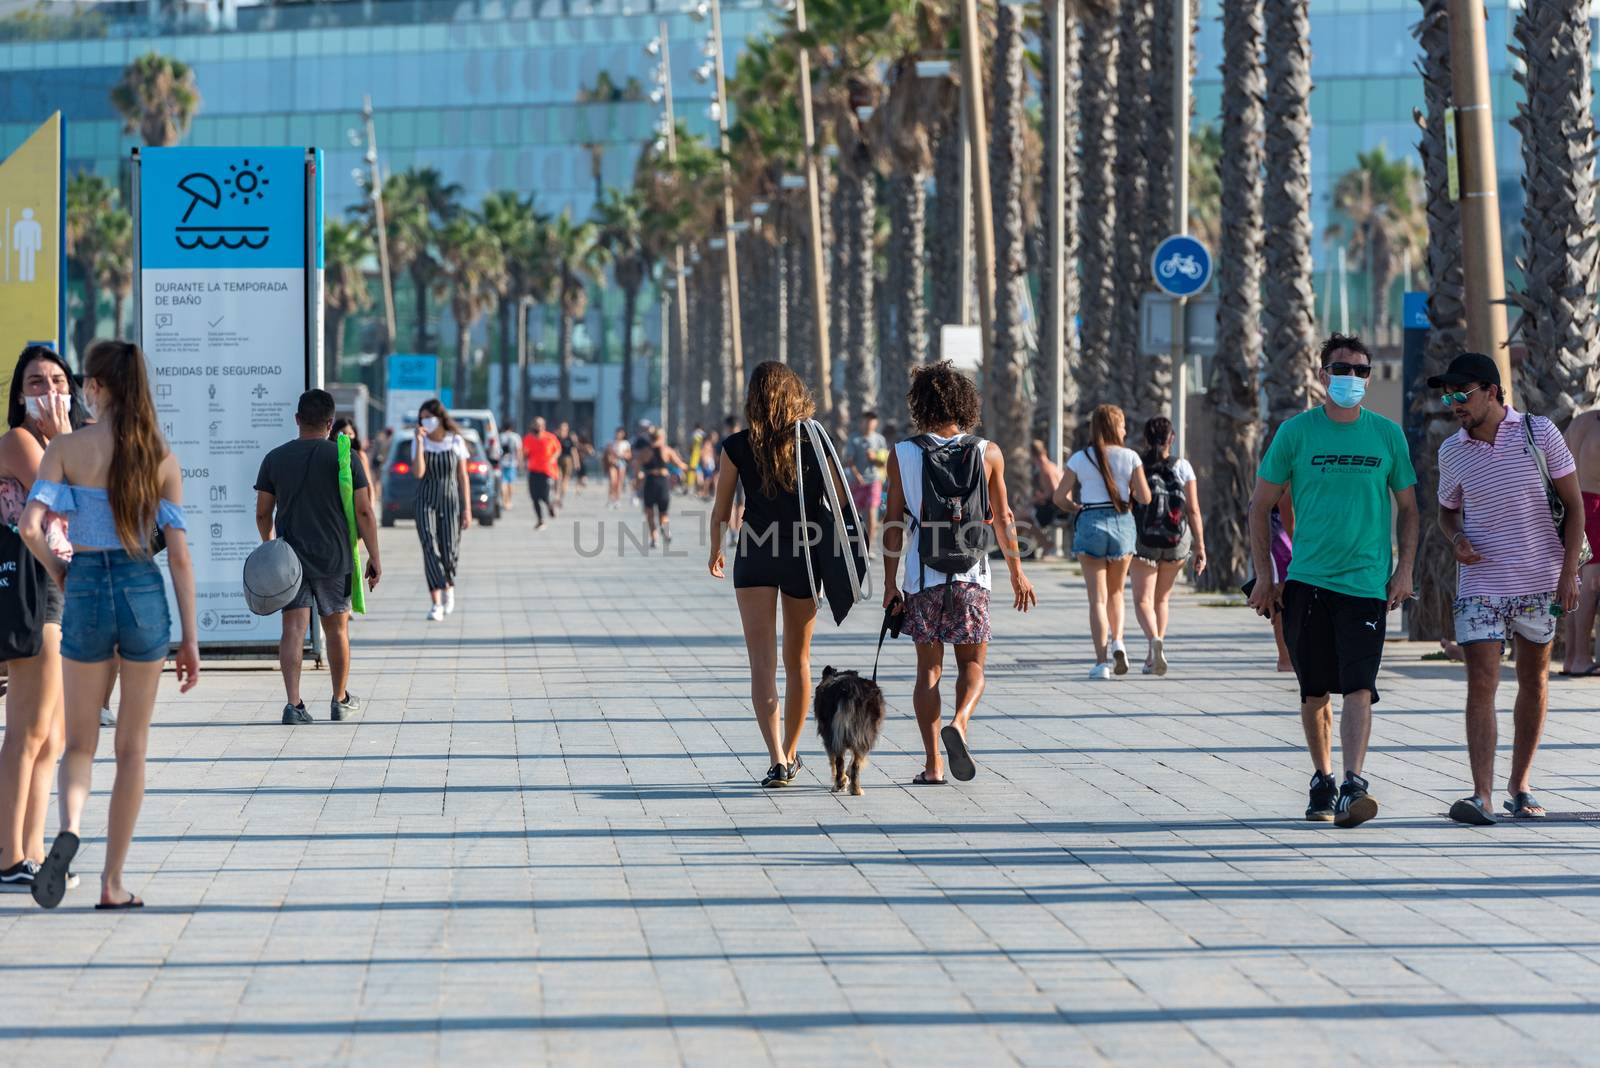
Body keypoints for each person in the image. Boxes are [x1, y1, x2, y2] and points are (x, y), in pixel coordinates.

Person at [19, 339, 199, 909]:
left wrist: (62, 571)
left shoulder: (68, 449)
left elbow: (30, 526)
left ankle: (69, 826)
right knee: (132, 749)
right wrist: (190, 639)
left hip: (88, 584)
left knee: (78, 744)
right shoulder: (161, 460)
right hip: (143, 588)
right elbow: (179, 557)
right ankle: (112, 883)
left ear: (95, 387)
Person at [1248, 332, 1418, 829]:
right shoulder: (1296, 434)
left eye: (1361, 371)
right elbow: (1260, 505)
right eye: (1341, 369)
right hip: (1307, 583)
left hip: (1366, 584)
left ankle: (1352, 783)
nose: (1351, 379)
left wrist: (1403, 569)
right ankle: (1322, 777)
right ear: (1322, 375)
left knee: (1360, 686)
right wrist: (1265, 575)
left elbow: (1409, 508)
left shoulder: (1387, 435)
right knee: (1315, 692)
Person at [1432, 353, 1581, 824]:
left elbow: (1574, 506)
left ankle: (1520, 784)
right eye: (1448, 396)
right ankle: (1482, 795)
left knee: (1534, 680)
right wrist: (1457, 539)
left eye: (1462, 394)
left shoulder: (1539, 433)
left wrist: (1567, 575)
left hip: (1540, 581)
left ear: (1492, 391)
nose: (1454, 403)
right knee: (1481, 681)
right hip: (1481, 583)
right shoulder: (1451, 451)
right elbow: (1446, 510)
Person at [883, 361, 1036, 785]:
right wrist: (1018, 572)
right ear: (965, 405)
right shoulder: (988, 451)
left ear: (921, 405)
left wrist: (889, 583)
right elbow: (1003, 517)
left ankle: (933, 765)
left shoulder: (903, 454)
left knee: (927, 672)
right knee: (972, 663)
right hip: (974, 574)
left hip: (922, 576)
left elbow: (893, 522)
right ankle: (961, 721)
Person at [709, 361, 849, 787]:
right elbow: (841, 502)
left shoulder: (736, 445)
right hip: (802, 557)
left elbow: (721, 510)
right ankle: (790, 751)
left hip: (754, 553)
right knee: (798, 661)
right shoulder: (814, 444)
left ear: (753, 398)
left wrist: (716, 550)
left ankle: (776, 758)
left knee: (761, 664)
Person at [259, 392, 383, 724]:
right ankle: (340, 699)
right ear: (330, 424)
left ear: (297, 419)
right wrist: (374, 556)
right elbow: (364, 512)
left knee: (293, 630)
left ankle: (294, 705)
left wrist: (270, 547)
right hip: (335, 557)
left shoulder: (275, 458)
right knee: (337, 630)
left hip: (290, 563)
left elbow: (262, 514)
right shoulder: (346, 457)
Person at [0, 346, 74, 893]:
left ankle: (30, 849)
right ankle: (8, 857)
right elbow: (69, 501)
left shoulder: (55, 445)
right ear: (18, 395)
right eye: (34, 382)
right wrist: (68, 433)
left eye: (56, 379)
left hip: (58, 592)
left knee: (51, 737)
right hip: (31, 591)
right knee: (27, 730)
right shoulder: (23, 443)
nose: (48, 390)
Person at [1053, 405, 1151, 679]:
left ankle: (1101, 663)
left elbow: (1059, 498)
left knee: (1097, 598)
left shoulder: (1080, 458)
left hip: (1090, 521)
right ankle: (1118, 640)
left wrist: (1076, 507)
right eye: (1122, 425)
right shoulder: (1130, 457)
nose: (1125, 430)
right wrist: (1128, 489)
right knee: (1116, 593)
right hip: (1122, 523)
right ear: (1114, 427)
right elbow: (1145, 497)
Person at [1129, 416, 1207, 675]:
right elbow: (1193, 510)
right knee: (1162, 599)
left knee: (1143, 600)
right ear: (1171, 439)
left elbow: (1131, 504)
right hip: (1177, 541)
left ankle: (1153, 643)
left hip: (1144, 541)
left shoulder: (1137, 464)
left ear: (1145, 439)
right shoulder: (1183, 466)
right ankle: (1154, 652)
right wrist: (1200, 547)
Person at [412, 399, 471, 622]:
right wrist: (418, 442)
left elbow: (463, 476)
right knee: (429, 545)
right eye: (422, 417)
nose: (425, 421)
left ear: (439, 417)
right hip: (425, 499)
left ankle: (449, 587)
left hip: (450, 499)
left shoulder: (455, 440)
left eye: (429, 416)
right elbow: (418, 473)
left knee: (449, 547)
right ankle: (436, 602)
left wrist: (467, 509)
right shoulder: (420, 442)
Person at [1561, 407, 1600, 674]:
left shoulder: (1581, 422)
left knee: (1576, 579)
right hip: (1595, 505)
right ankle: (1581, 658)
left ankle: (1571, 655)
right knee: (1591, 583)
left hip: (1573, 503)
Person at [845, 410, 889, 553]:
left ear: (876, 423)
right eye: (866, 420)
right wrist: (857, 476)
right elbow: (849, 461)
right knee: (853, 515)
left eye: (872, 420)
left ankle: (867, 548)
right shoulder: (854, 439)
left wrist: (874, 457)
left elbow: (884, 462)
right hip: (856, 483)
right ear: (861, 422)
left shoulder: (880, 440)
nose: (869, 423)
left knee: (871, 514)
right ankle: (852, 546)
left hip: (873, 482)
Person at [636, 428, 687, 549]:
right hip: (663, 483)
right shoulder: (667, 450)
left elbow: (638, 470)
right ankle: (665, 530)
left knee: (649, 513)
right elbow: (680, 464)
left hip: (650, 482)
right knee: (663, 512)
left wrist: (638, 483)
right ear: (661, 437)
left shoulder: (644, 452)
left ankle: (654, 538)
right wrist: (691, 468)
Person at [1026, 438, 1064, 557]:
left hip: (1056, 510)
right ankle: (1039, 546)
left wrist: (1038, 498)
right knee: (1024, 518)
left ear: (1032, 455)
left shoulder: (1045, 468)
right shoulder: (1052, 465)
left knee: (1022, 519)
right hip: (1057, 506)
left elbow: (1054, 491)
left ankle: (1047, 545)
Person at [522, 417, 560, 528]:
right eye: (536, 424)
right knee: (534, 497)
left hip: (546, 471)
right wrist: (523, 461)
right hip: (533, 470)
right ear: (533, 425)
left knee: (544, 495)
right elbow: (525, 453)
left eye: (540, 425)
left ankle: (550, 506)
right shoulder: (528, 438)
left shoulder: (550, 438)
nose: (538, 427)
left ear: (544, 426)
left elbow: (557, 449)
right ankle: (540, 520)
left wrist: (553, 458)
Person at [330, 418, 375, 510]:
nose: (346, 437)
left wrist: (370, 507)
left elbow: (368, 483)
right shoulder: (330, 453)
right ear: (334, 434)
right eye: (343, 433)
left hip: (355, 503)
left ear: (355, 435)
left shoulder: (359, 455)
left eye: (350, 434)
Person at [603, 426, 632, 509]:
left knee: (619, 483)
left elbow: (629, 455)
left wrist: (622, 455)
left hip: (621, 462)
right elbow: (607, 454)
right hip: (613, 463)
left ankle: (617, 500)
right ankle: (610, 499)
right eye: (617, 433)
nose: (618, 435)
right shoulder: (611, 443)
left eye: (620, 433)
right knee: (613, 481)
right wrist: (610, 458)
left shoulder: (626, 443)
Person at [497, 425, 521, 512]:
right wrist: (519, 462)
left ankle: (504, 502)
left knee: (503, 483)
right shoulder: (515, 437)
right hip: (512, 463)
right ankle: (509, 501)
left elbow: (497, 450)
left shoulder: (500, 436)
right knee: (511, 483)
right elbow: (518, 450)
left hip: (502, 463)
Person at [555, 420, 576, 505]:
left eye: (565, 428)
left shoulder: (570, 438)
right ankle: (557, 495)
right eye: (562, 428)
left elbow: (573, 450)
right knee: (557, 477)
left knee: (565, 479)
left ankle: (561, 497)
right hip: (558, 458)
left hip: (567, 459)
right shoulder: (556, 437)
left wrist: (576, 462)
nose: (563, 430)